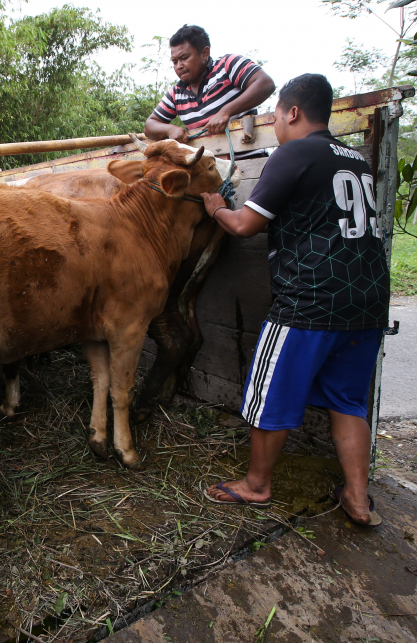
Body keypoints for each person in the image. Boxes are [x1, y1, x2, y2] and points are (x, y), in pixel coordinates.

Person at [199, 74, 390, 527]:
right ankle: (358, 498)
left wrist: (215, 210)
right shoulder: (355, 159)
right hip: (366, 300)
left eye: (277, 115)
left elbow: (245, 224)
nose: (277, 125)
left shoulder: (294, 153)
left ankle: (257, 485)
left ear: (293, 112)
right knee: (347, 400)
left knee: (269, 393)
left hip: (310, 301)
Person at [144, 24, 275, 142]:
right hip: (207, 167)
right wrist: (170, 129)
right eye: (174, 61)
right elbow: (150, 125)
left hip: (249, 159)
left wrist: (225, 112)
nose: (179, 66)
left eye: (184, 58)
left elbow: (265, 84)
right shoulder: (176, 93)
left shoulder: (227, 65)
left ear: (205, 53)